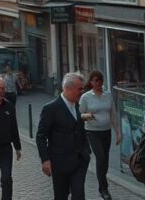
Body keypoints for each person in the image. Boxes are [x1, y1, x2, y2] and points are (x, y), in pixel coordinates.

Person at [36, 72, 91, 200]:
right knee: (61, 196)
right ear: (67, 88)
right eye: (79, 88)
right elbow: (41, 136)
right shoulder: (51, 109)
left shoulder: (78, 106)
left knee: (78, 195)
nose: (82, 92)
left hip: (80, 161)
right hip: (60, 163)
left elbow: (79, 129)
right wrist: (45, 159)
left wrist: (86, 150)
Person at [79, 71, 121, 200]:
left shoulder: (107, 95)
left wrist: (118, 132)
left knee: (105, 160)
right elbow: (78, 115)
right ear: (91, 82)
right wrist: (87, 116)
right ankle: (104, 189)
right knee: (101, 157)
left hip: (106, 131)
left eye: (100, 80)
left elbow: (113, 114)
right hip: (92, 132)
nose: (98, 83)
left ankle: (102, 186)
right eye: (95, 80)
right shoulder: (86, 97)